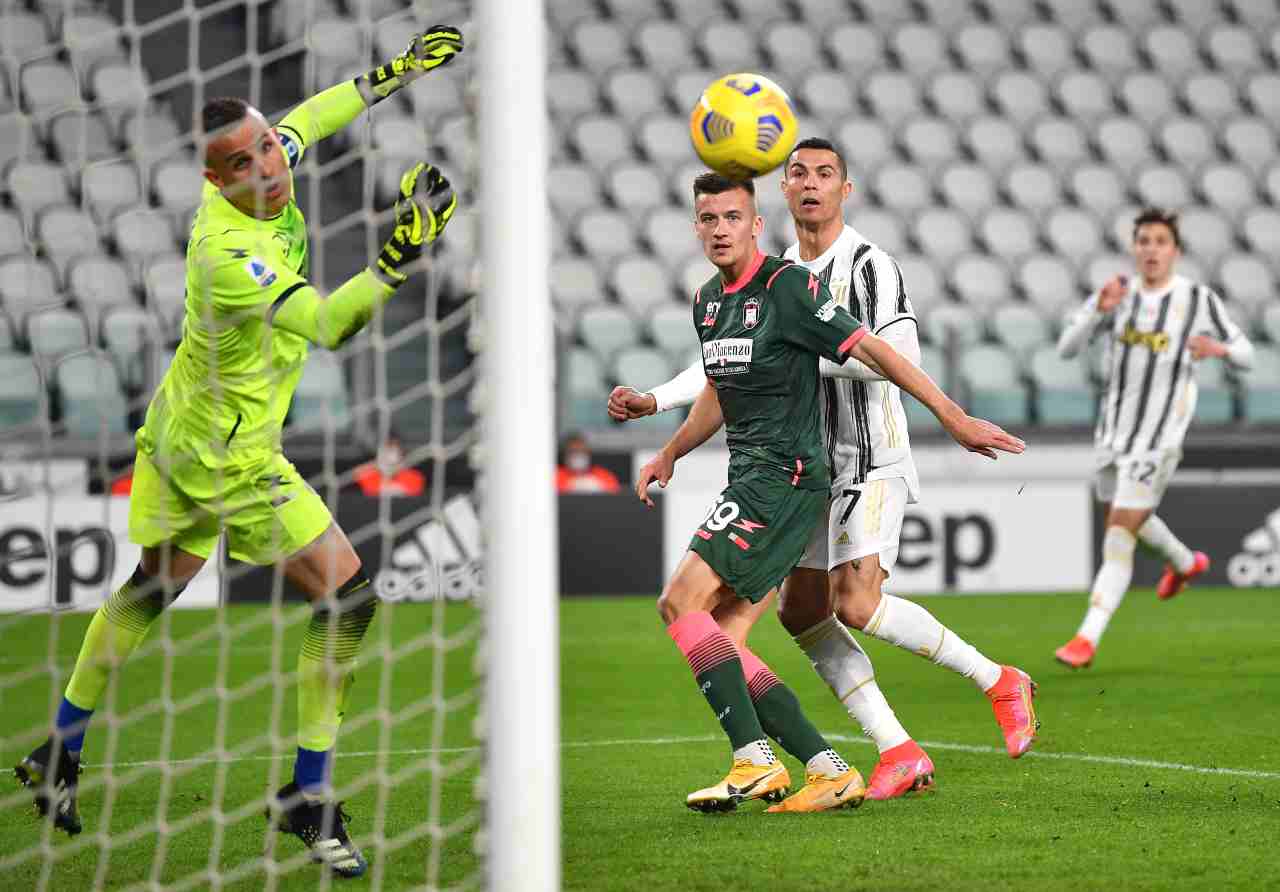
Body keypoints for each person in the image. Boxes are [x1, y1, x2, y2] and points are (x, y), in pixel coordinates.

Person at [14, 25, 464, 878]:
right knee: (350, 599)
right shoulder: (229, 253)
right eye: (254, 159)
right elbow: (330, 326)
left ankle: (58, 752)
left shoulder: (265, 162)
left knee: (151, 589)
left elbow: (315, 116)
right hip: (231, 456)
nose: (276, 164)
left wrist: (398, 72)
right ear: (218, 179)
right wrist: (401, 253)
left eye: (271, 145)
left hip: (183, 426)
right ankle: (307, 794)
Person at [612, 139, 1038, 800]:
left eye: (826, 174)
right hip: (800, 464)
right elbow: (726, 365)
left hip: (865, 457)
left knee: (856, 602)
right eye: (798, 174)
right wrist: (661, 414)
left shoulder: (868, 265)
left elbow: (893, 351)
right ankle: (893, 749)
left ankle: (997, 679)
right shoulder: (767, 276)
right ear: (782, 193)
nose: (811, 184)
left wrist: (948, 416)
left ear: (847, 188)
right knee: (801, 615)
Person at [1053, 208, 1253, 669]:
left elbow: (1245, 353)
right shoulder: (1116, 295)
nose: (1151, 249)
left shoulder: (1198, 299)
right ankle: (1185, 563)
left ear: (1175, 251)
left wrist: (1218, 350)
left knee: (1119, 533)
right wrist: (1095, 310)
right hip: (1112, 433)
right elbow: (1066, 347)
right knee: (1130, 521)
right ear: (1134, 248)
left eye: (1161, 241)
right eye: (1143, 240)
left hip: (1159, 436)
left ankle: (1086, 638)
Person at [353, 431, 426, 497]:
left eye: (392, 450)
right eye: (384, 451)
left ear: (401, 454)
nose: (387, 455)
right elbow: (356, 474)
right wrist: (375, 465)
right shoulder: (368, 476)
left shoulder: (414, 478)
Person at [555, 431, 621, 493]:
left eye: (582, 451)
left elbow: (615, 496)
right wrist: (572, 486)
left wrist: (599, 487)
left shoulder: (604, 475)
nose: (578, 455)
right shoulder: (555, 476)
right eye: (573, 451)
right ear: (564, 454)